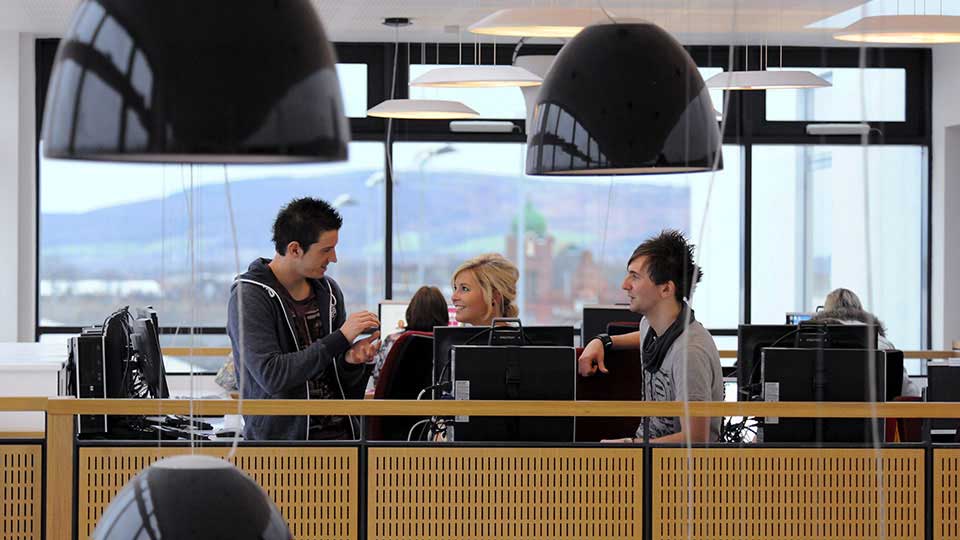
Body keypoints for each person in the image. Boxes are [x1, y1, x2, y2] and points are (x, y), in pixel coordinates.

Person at [227, 197, 381, 441]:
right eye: (326, 250)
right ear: (295, 249)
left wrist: (351, 360)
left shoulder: (329, 291)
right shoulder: (249, 296)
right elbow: (272, 376)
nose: (334, 258)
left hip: (343, 439)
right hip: (283, 447)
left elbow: (334, 374)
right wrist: (340, 338)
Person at [578, 230, 724, 443]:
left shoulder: (689, 353)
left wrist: (630, 447)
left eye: (635, 276)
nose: (625, 284)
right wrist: (602, 341)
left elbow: (697, 439)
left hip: (674, 470)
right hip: (648, 455)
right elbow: (643, 336)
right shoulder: (653, 326)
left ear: (665, 289)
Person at [810, 287, 920, 397]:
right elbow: (909, 392)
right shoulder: (882, 344)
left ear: (826, 311)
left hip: (818, 411)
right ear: (860, 310)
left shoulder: (809, 341)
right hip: (873, 412)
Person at [368, 286, 450, 391]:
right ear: (444, 314)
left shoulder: (393, 340)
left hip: (397, 404)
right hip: (440, 405)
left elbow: (378, 379)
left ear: (411, 311)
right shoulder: (450, 344)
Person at [451, 253, 519, 327]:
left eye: (465, 288)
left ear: (494, 295)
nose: (454, 297)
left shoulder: (515, 338)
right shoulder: (461, 337)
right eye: (455, 288)